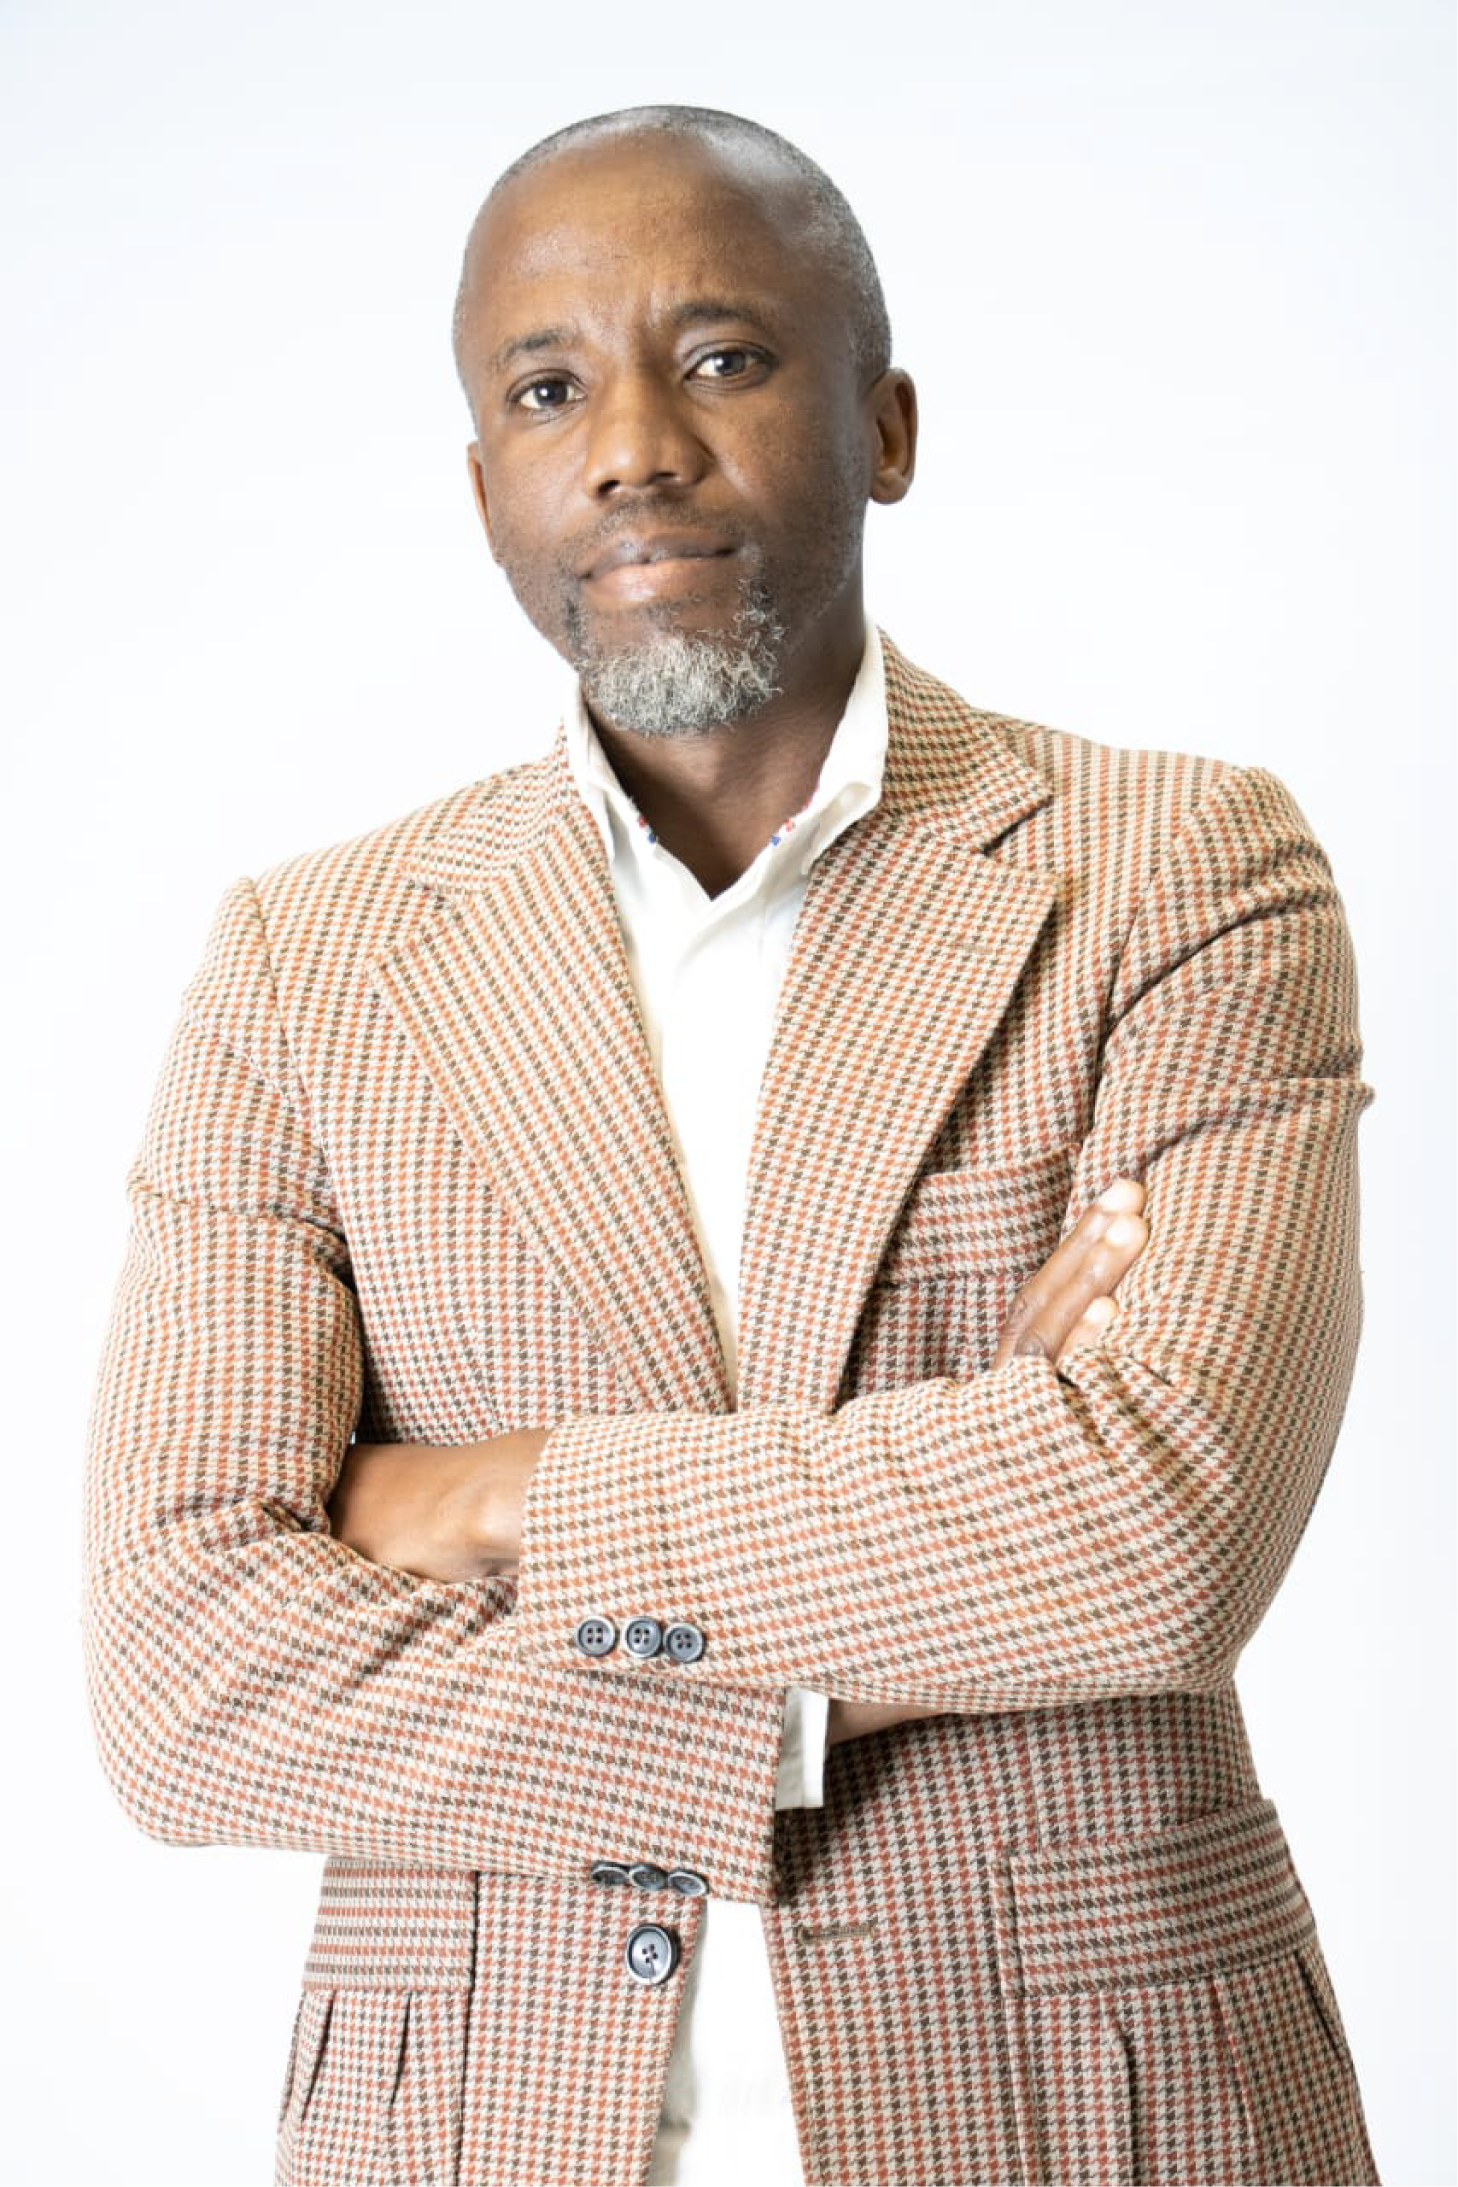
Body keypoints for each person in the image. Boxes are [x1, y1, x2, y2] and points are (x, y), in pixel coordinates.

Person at [82, 103, 1383, 2186]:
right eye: (546, 390)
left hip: (1083, 2111)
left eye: (723, 356)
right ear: (484, 486)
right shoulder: (305, 965)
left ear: (885, 426)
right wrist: (868, 1622)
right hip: (476, 2125)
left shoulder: (1175, 870)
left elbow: (1154, 1529)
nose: (632, 447)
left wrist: (497, 1498)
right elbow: (186, 1681)